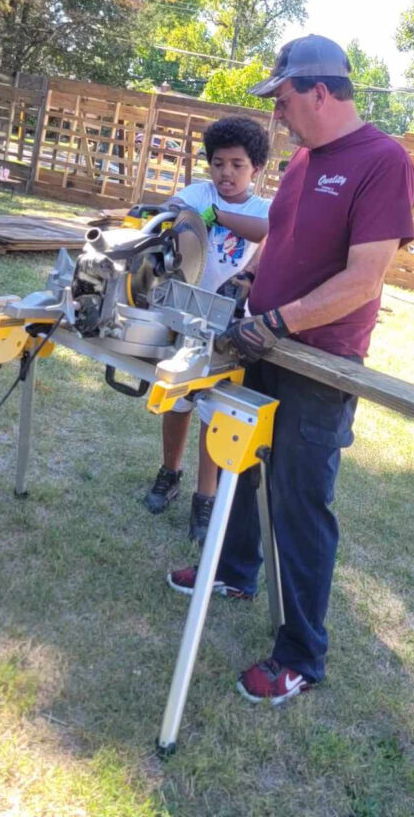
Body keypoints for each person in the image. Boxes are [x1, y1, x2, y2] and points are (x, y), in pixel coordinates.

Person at [167, 34, 414, 704]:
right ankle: (238, 571)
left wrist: (276, 323)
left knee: (301, 503)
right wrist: (246, 285)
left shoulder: (383, 161)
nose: (277, 116)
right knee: (242, 465)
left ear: (319, 91)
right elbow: (279, 235)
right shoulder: (306, 161)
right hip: (266, 343)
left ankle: (301, 652)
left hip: (320, 361)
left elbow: (365, 279)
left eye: (281, 99)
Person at [143, 116, 271, 545]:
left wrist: (220, 216)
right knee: (176, 399)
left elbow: (271, 233)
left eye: (238, 164)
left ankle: (205, 496)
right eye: (218, 163)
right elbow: (175, 212)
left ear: (257, 168)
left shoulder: (262, 211)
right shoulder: (198, 193)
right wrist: (190, 214)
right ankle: (169, 472)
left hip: (229, 320)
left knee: (213, 412)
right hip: (184, 311)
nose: (226, 173)